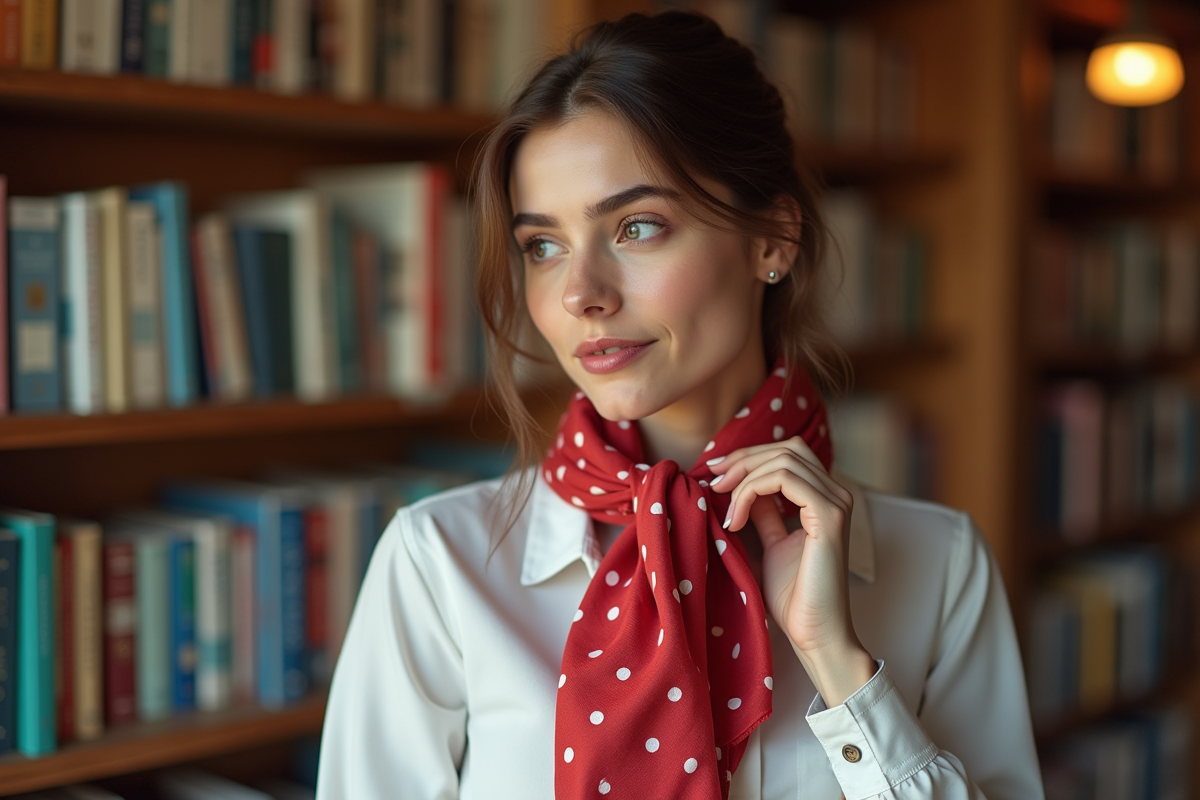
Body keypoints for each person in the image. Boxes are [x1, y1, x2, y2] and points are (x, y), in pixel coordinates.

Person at [316, 11, 1044, 800]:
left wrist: (838, 663)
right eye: (543, 246)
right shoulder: (440, 563)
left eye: (637, 227)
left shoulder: (938, 564)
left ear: (773, 239)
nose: (580, 294)